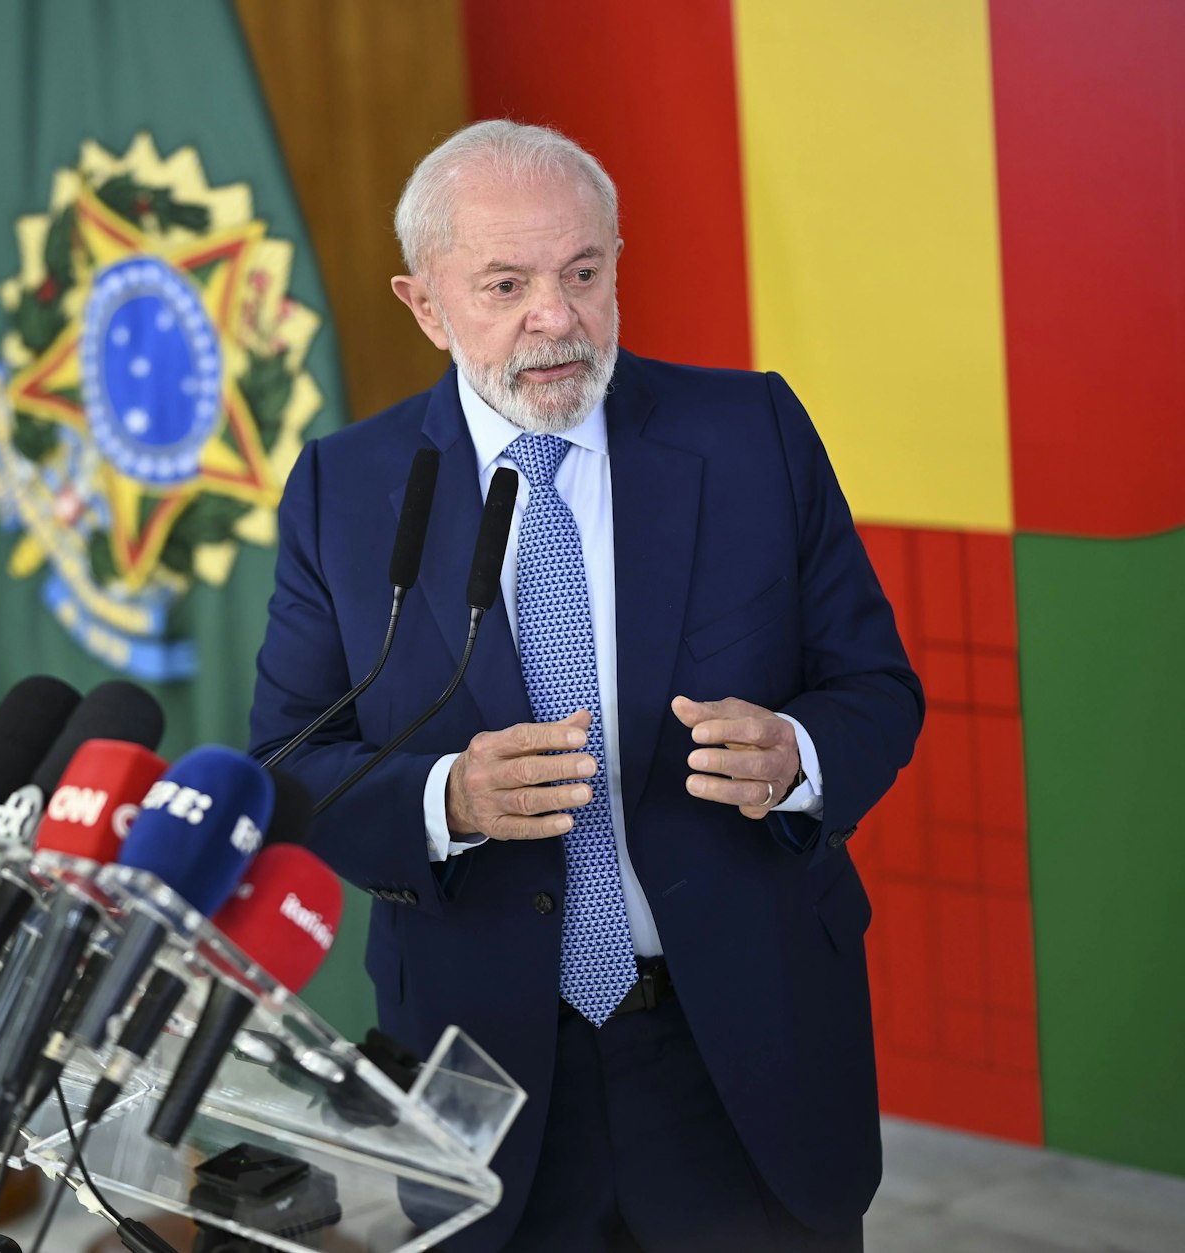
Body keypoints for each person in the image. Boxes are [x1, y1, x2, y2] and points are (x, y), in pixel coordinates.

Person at [250, 120, 923, 1252]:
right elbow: (287, 765)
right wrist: (446, 799)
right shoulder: (343, 489)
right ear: (423, 305)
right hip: (488, 1069)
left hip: (737, 1058)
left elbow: (873, 685)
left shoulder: (750, 430)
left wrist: (796, 756)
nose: (554, 317)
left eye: (582, 273)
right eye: (505, 283)